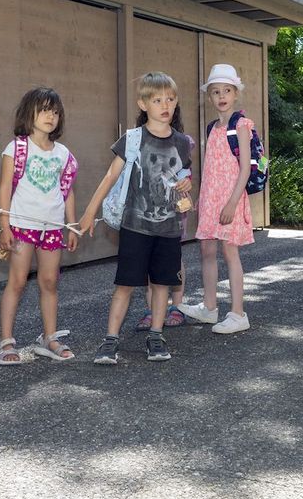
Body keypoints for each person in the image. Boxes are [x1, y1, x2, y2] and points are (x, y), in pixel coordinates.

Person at [78, 72, 193, 365]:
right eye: (157, 100)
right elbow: (110, 176)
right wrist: (90, 211)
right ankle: (110, 340)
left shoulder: (181, 143)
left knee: (162, 284)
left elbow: (182, 178)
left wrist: (186, 185)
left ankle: (156, 334)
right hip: (135, 225)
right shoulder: (132, 139)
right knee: (126, 284)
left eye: (170, 98)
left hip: (168, 227)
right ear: (143, 104)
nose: (165, 105)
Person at [0, 87, 79, 365]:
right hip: (21, 225)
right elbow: (5, 187)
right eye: (43, 110)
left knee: (50, 281)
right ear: (29, 113)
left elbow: (67, 191)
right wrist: (4, 224)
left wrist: (72, 225)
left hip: (52, 227)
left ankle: (49, 337)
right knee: (17, 282)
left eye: (55, 112)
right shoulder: (16, 147)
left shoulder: (63, 153)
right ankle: (5, 340)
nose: (50, 117)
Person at [179, 63, 255, 333]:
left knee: (229, 251)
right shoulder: (212, 127)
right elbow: (211, 167)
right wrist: (203, 198)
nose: (221, 96)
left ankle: (238, 313)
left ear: (235, 94)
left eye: (226, 90)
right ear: (209, 97)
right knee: (206, 250)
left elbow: (245, 167)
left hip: (230, 199)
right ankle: (209, 308)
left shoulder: (241, 125)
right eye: (215, 92)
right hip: (211, 198)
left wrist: (233, 203)